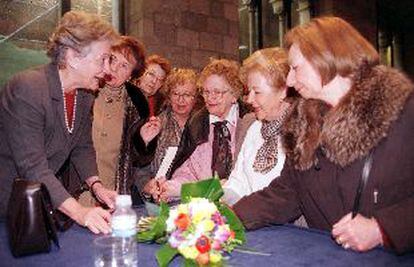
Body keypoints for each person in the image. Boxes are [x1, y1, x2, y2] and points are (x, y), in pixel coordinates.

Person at [233, 16, 414, 254]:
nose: (289, 80)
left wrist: (382, 229)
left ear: (327, 58)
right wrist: (224, 218)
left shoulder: (404, 111)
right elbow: (285, 194)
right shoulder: (303, 126)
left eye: (295, 68)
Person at [0, 11, 118, 234]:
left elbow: (82, 147)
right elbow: (32, 166)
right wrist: (79, 211)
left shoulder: (84, 96)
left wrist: (97, 186)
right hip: (6, 209)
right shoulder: (28, 88)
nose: (108, 70)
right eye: (103, 60)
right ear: (73, 57)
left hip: (32, 209)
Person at [153, 59, 251, 202]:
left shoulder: (250, 123)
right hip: (204, 209)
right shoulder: (196, 123)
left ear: (234, 95)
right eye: (206, 92)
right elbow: (187, 172)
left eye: (217, 92)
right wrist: (170, 187)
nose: (210, 98)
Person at [80, 36, 145, 207]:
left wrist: (144, 141)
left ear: (131, 76)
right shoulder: (84, 92)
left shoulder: (135, 107)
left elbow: (136, 161)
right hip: (72, 192)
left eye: (124, 65)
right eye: (113, 59)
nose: (114, 68)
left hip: (110, 197)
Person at [222, 48, 293, 205]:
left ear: (283, 91)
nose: (249, 99)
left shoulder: (300, 132)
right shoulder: (253, 127)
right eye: (249, 91)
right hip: (249, 220)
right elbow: (238, 182)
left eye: (257, 92)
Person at [137, 68, 201, 200]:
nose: (180, 100)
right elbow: (139, 168)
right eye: (175, 93)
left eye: (187, 95)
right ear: (168, 96)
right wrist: (148, 185)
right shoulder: (155, 124)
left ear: (195, 98)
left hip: (195, 196)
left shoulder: (203, 125)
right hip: (158, 198)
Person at [130, 54, 171, 167]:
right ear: (141, 73)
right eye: (151, 74)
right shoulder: (125, 96)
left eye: (159, 80)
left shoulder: (159, 108)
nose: (154, 81)